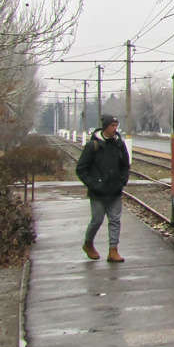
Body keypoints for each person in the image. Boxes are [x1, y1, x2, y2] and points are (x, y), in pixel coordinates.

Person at [76, 113, 131, 263]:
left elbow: (125, 165)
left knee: (115, 220)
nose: (115, 128)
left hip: (115, 190)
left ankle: (113, 251)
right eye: (112, 126)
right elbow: (81, 169)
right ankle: (88, 243)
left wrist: (122, 181)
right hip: (98, 192)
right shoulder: (93, 145)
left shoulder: (119, 145)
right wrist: (94, 184)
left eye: (116, 125)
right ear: (105, 127)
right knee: (97, 220)